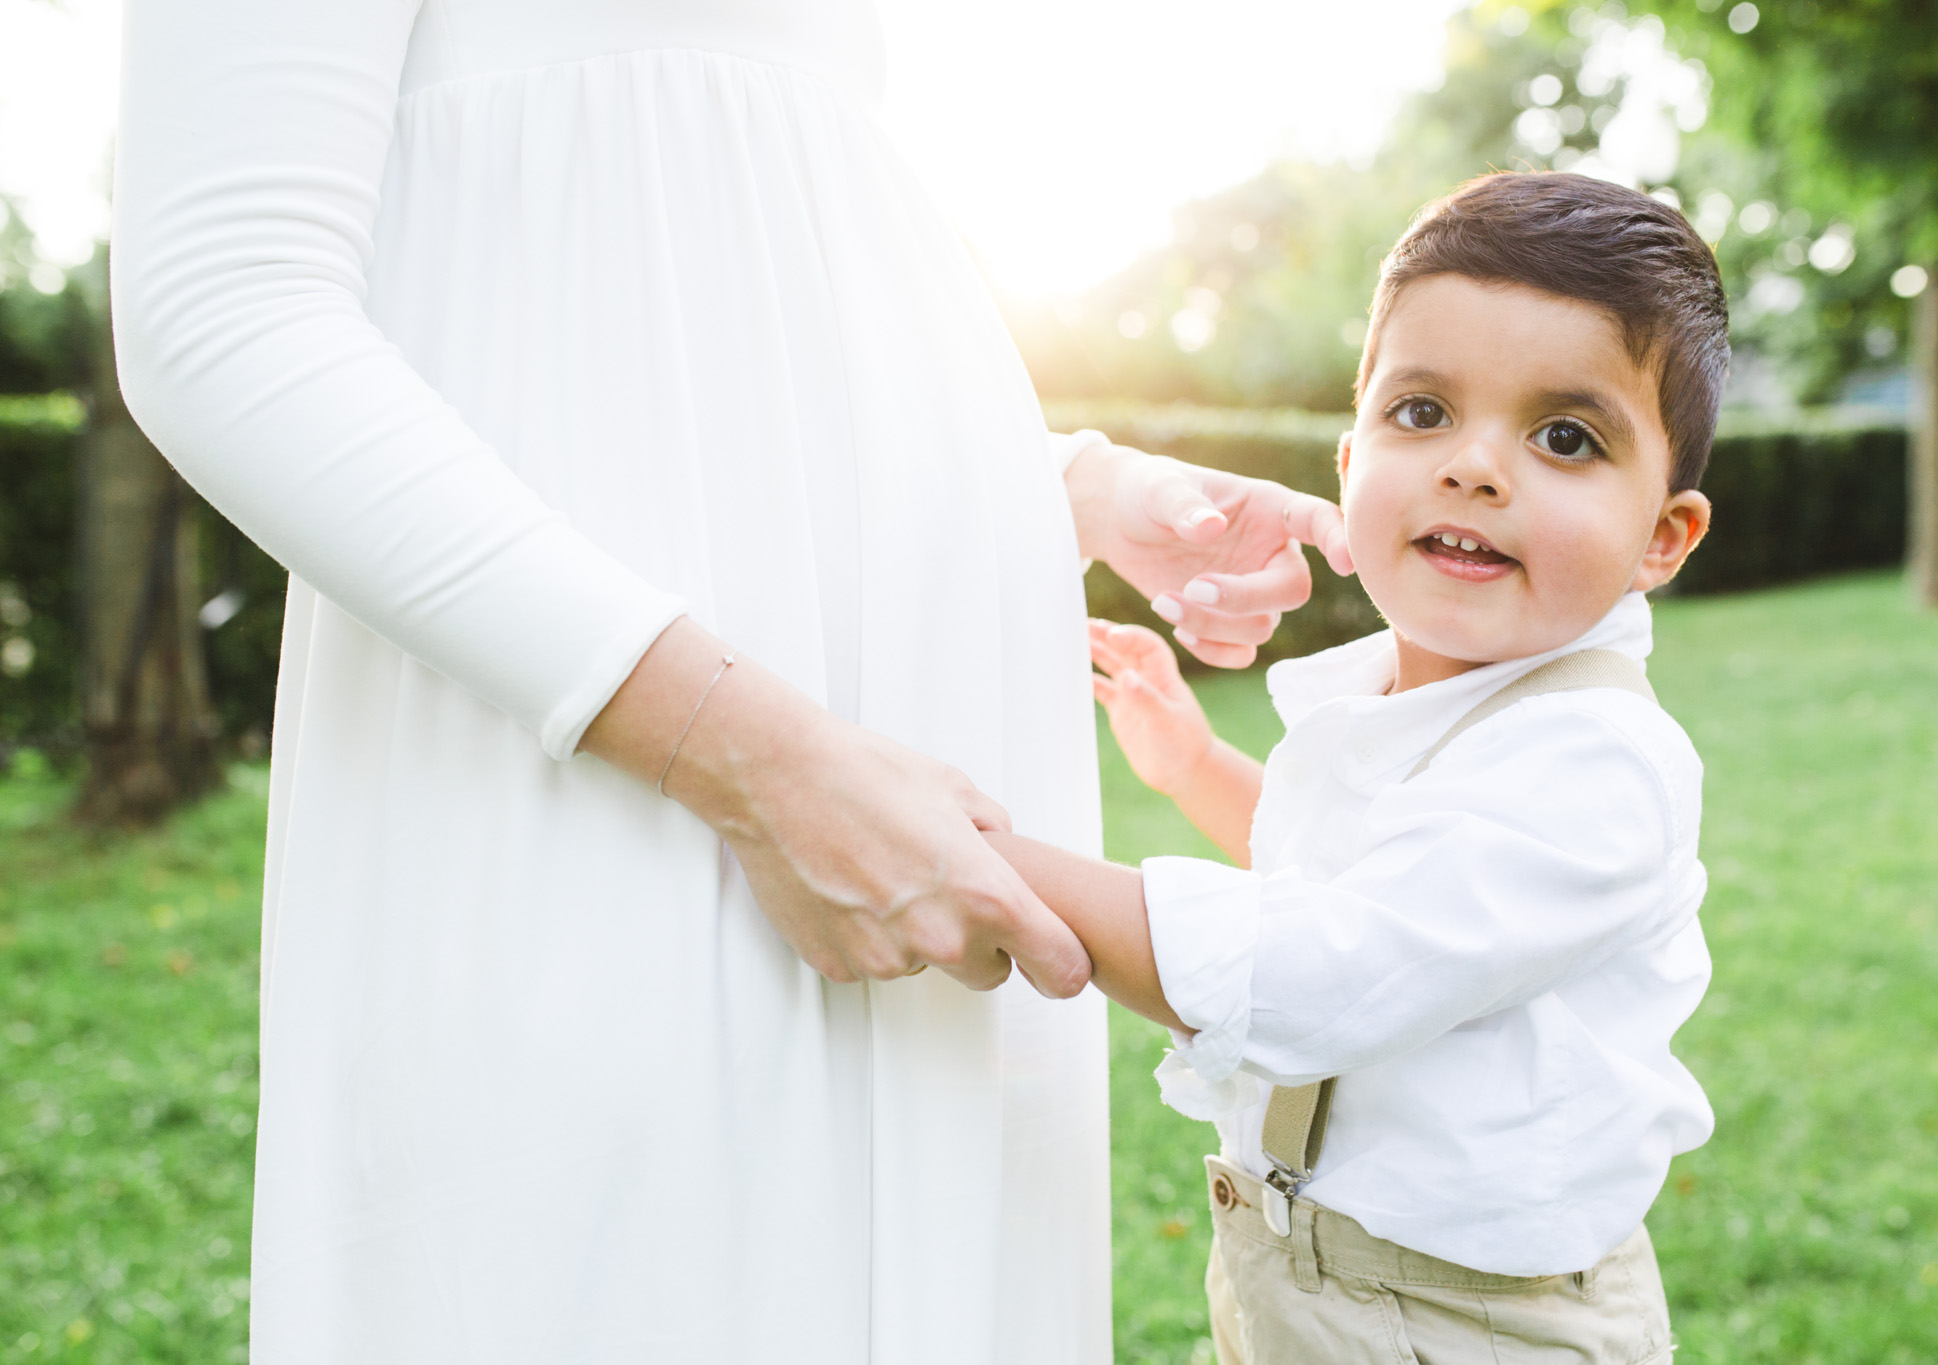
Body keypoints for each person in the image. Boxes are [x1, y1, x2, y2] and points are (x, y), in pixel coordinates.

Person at [109, 3, 1352, 1361]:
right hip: (610, 761)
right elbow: (223, 311)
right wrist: (748, 756)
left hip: (898, 788)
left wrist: (1065, 487)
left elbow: (739, 286)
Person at [987, 172, 1727, 1362]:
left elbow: (1325, 975)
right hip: (1301, 1278)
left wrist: (975, 858)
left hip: (1471, 1323)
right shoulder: (1399, 697)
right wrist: (1193, 765)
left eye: (1562, 436)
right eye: (1422, 413)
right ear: (1346, 461)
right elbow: (1348, 884)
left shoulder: (1596, 765)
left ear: (1661, 536)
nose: (1475, 466)